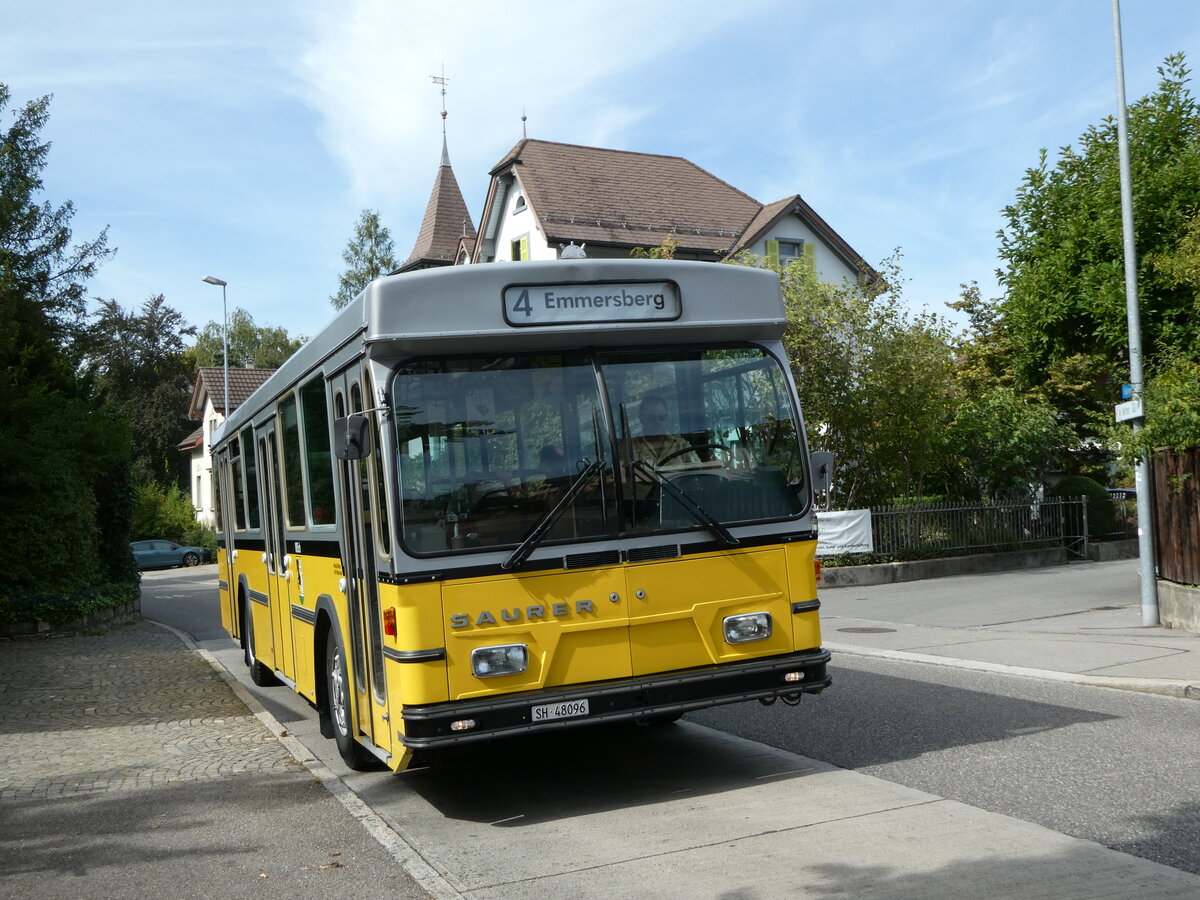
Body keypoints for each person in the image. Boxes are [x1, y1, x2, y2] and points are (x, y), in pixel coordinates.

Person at [632, 395, 699, 468]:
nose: (658, 422)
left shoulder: (681, 445)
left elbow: (700, 471)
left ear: (667, 419)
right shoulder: (631, 448)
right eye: (652, 418)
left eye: (662, 418)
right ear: (642, 420)